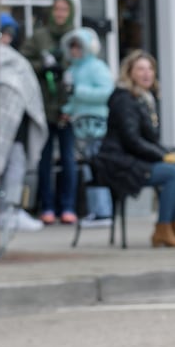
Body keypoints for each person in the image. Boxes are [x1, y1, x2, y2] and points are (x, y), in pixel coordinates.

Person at [91, 50, 175, 248]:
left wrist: (166, 154)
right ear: (129, 72)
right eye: (140, 69)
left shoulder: (144, 99)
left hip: (135, 159)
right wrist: (162, 157)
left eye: (150, 69)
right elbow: (131, 140)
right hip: (118, 162)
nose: (146, 73)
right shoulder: (124, 99)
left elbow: (148, 139)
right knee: (174, 175)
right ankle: (163, 229)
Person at [21, 0, 79, 224]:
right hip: (43, 106)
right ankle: (47, 206)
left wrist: (66, 69)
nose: (60, 14)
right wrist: (42, 66)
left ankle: (68, 206)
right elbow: (23, 62)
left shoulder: (75, 37)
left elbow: (85, 62)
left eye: (65, 10)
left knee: (68, 159)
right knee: (43, 159)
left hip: (68, 108)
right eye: (57, 9)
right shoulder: (39, 37)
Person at [0, 14, 48, 237]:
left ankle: (12, 209)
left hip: (18, 127)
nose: (6, 39)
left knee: (16, 167)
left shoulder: (18, 62)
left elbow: (26, 88)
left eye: (10, 35)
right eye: (2, 34)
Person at [60, 27, 115, 227]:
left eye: (78, 46)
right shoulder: (73, 70)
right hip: (81, 126)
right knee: (88, 168)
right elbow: (74, 99)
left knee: (98, 166)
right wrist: (66, 110)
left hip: (98, 124)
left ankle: (103, 212)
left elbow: (107, 92)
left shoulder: (97, 67)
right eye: (72, 46)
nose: (75, 50)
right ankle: (95, 210)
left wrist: (78, 90)